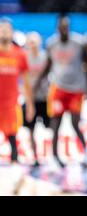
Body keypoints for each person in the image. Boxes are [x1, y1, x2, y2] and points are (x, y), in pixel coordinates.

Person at [35, 15, 87, 168]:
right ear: (57, 27)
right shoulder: (51, 43)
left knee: (75, 123)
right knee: (55, 123)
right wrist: (37, 82)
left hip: (76, 88)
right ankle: (54, 158)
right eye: (61, 26)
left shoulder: (78, 43)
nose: (64, 29)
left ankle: (86, 155)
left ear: (68, 27)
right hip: (58, 89)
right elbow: (48, 65)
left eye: (66, 26)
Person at [0, 18, 35, 164]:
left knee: (12, 135)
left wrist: (30, 105)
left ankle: (14, 164)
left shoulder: (20, 55)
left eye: (7, 29)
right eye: (1, 29)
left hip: (11, 103)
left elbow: (26, 83)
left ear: (12, 33)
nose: (4, 32)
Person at [22, 32, 50, 167]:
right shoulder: (23, 58)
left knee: (51, 127)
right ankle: (35, 158)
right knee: (30, 129)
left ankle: (52, 156)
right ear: (27, 44)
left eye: (35, 42)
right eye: (30, 42)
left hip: (44, 98)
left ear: (40, 42)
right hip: (29, 99)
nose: (33, 45)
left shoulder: (46, 57)